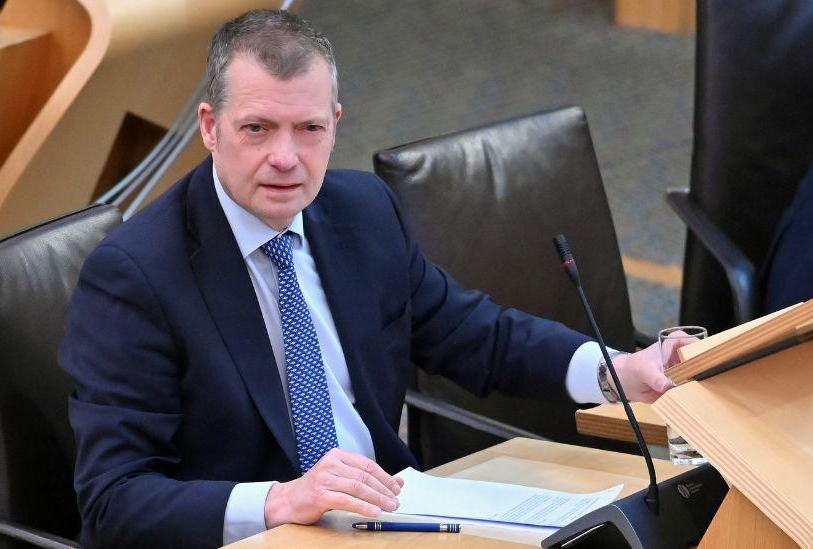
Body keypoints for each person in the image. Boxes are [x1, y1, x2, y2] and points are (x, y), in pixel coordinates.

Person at [59, 9, 683, 548]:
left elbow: (474, 333)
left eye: (309, 130)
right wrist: (277, 500)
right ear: (209, 127)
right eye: (257, 129)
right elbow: (114, 503)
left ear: (335, 123)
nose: (285, 157)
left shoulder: (362, 211)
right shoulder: (136, 276)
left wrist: (613, 372)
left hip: (391, 517)